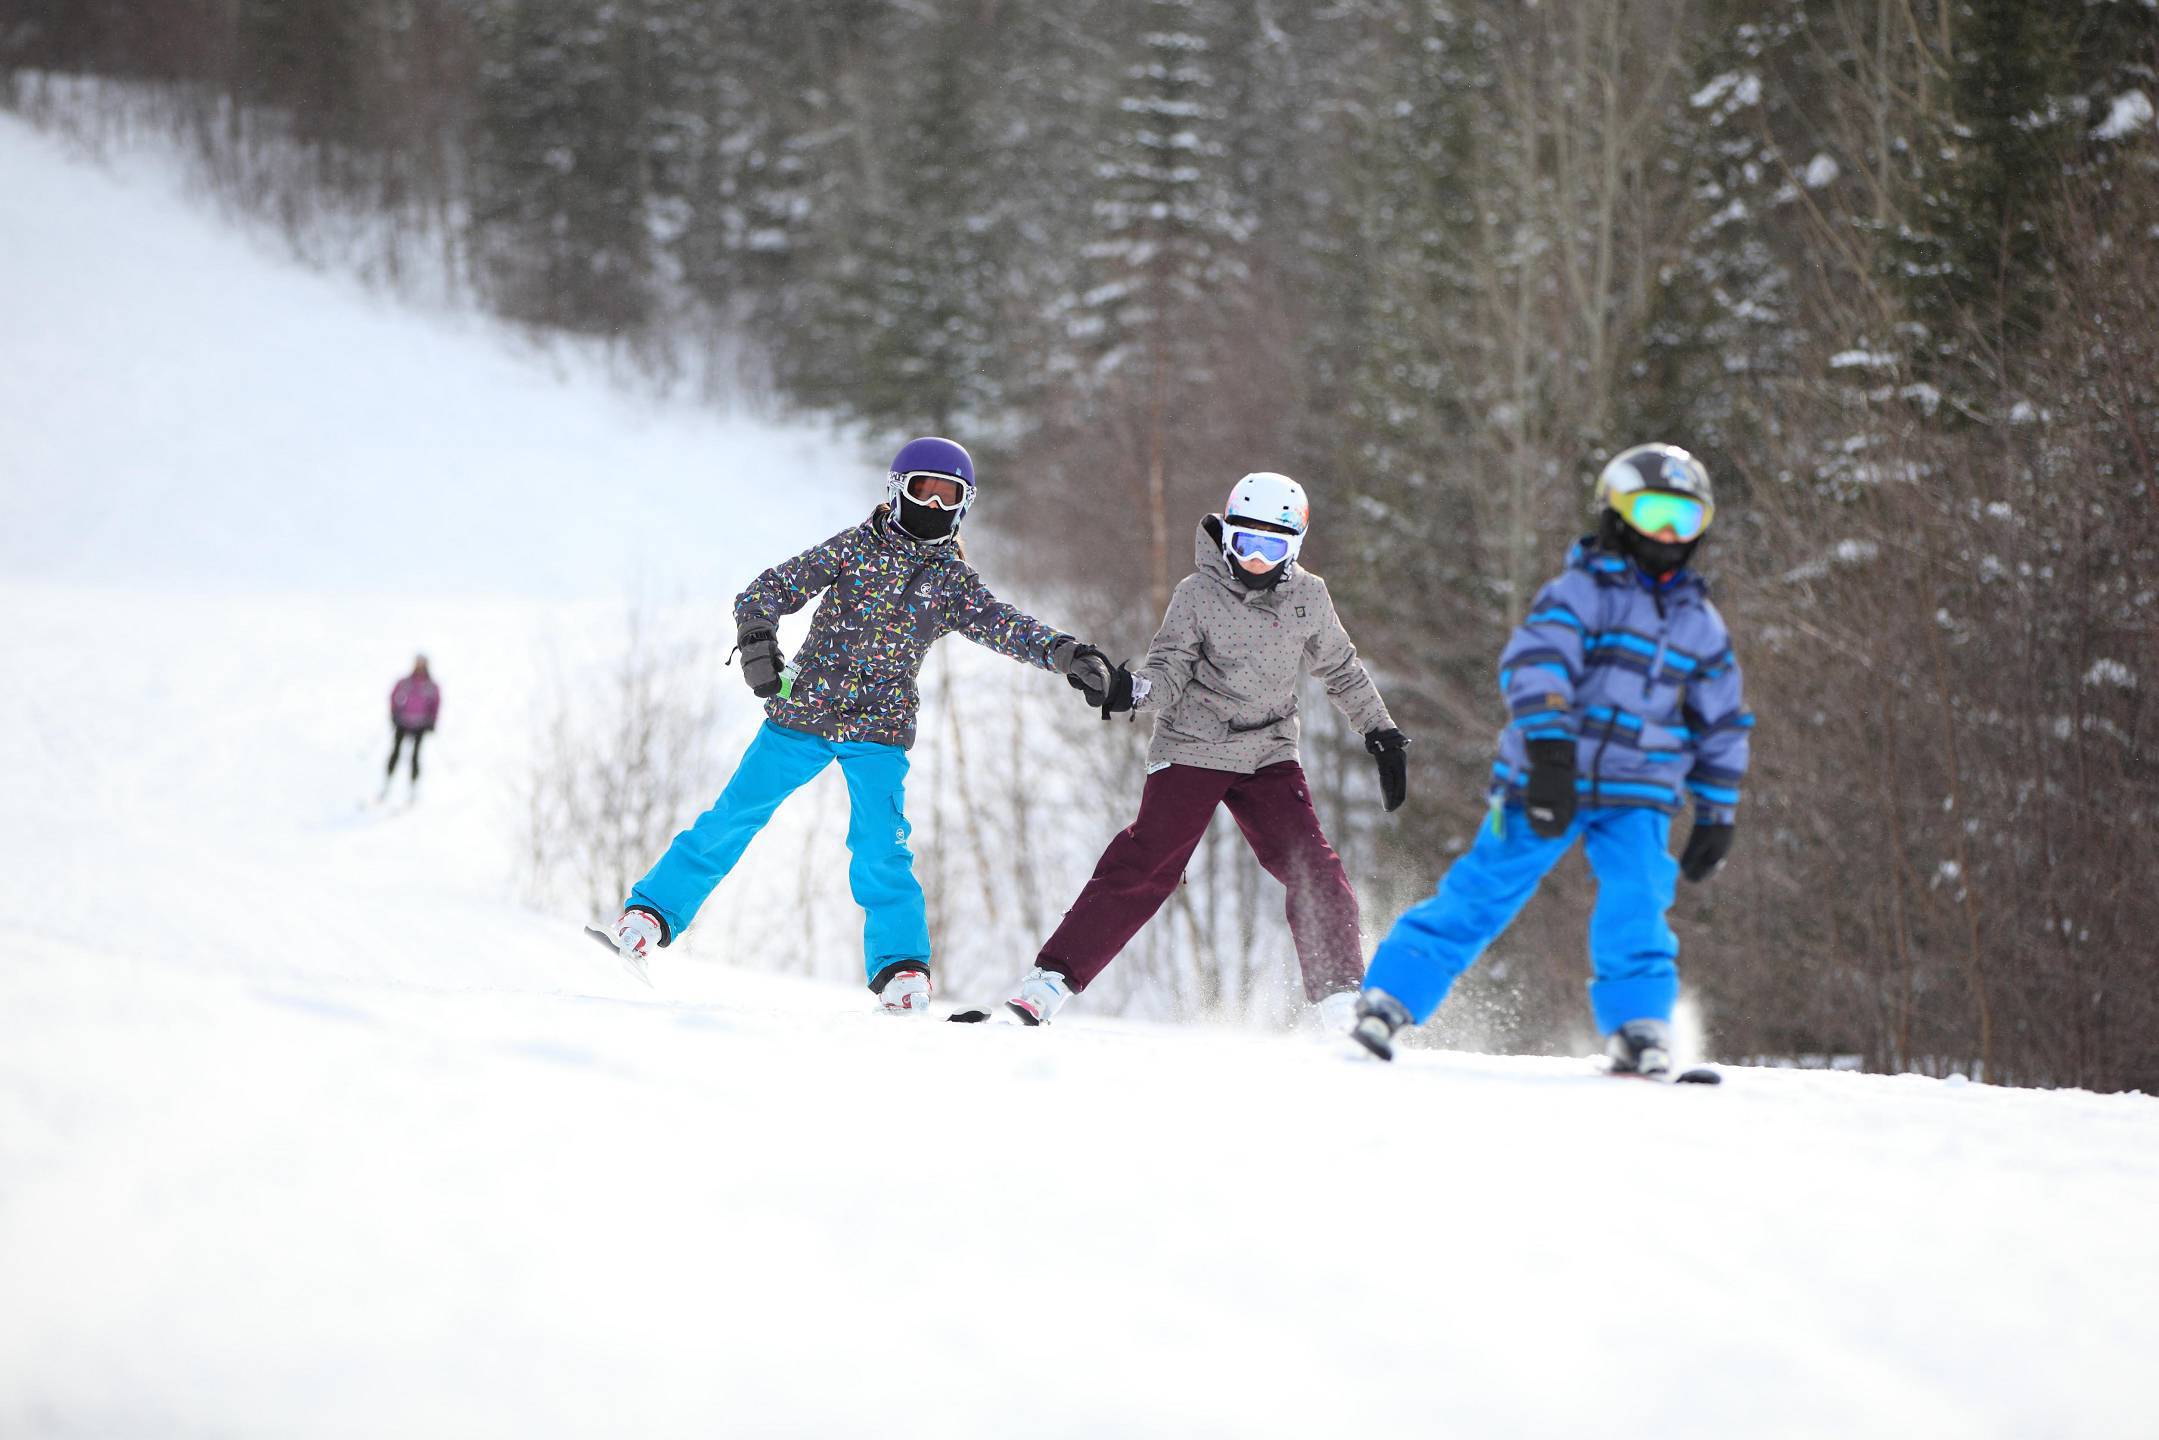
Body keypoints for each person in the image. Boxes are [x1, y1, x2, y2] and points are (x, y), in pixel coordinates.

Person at [598, 437, 1116, 1014]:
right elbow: (767, 590)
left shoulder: (952, 582)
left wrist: (1068, 654)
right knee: (733, 817)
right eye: (924, 491)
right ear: (897, 490)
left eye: (949, 497)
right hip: (804, 715)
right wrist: (758, 642)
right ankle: (648, 918)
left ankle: (902, 972)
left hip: (879, 733)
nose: (935, 506)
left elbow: (1007, 625)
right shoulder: (853, 548)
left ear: (964, 506)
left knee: (881, 849)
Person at [1347, 443, 1753, 1077]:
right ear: (1617, 516)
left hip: (1639, 789)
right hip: (1548, 776)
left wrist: (1717, 811)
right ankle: (1388, 999)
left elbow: (1721, 720)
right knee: (1487, 887)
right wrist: (1551, 750)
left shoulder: (1700, 623)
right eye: (1654, 515)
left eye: (1686, 520)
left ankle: (1638, 1026)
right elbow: (1536, 664)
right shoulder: (1583, 592)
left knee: (1639, 897)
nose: (1669, 536)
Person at [981, 472, 1410, 1029]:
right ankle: (1046, 986)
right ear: (1227, 534)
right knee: (1147, 862)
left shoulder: (1309, 597)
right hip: (1193, 745)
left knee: (1314, 867)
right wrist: (1129, 690)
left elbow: (1341, 668)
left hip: (1268, 750)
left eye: (1271, 547)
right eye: (1244, 542)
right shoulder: (1197, 594)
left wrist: (1381, 732)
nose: (1255, 559)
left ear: (1295, 548)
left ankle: (1341, 1003)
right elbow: (1167, 671)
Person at [384, 656, 439, 797]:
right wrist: (394, 712)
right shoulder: (406, 682)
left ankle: (413, 786)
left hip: (420, 724)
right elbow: (393, 695)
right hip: (403, 722)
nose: (420, 667)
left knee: (415, 756)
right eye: (418, 664)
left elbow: (436, 703)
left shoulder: (430, 686)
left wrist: (432, 721)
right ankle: (387, 781)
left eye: (422, 664)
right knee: (396, 752)